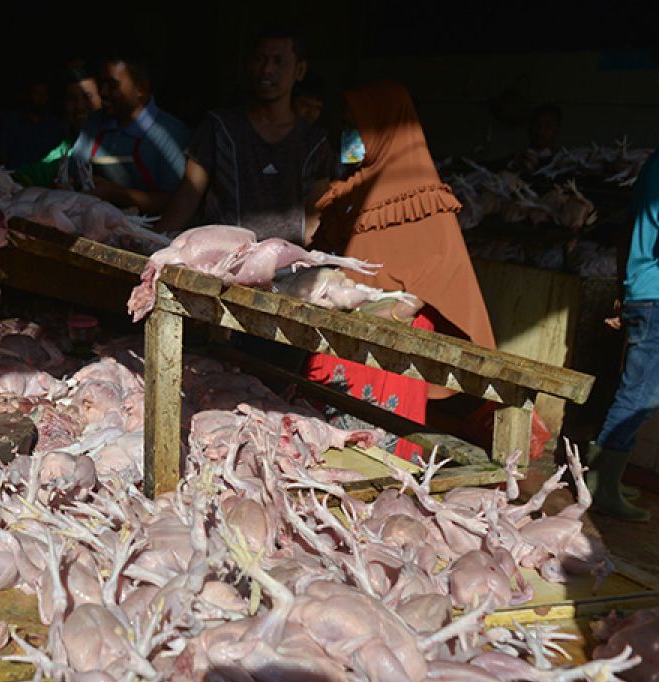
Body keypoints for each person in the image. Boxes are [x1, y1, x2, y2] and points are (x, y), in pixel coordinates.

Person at [305, 81, 496, 460]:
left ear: (387, 127)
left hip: (386, 349)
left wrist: (366, 315)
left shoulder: (421, 199)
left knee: (372, 458)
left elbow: (425, 291)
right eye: (346, 125)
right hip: (338, 337)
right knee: (316, 449)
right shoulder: (351, 190)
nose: (349, 135)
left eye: (358, 125)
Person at [157, 33, 333, 244]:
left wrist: (309, 267)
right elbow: (187, 198)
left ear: (299, 70)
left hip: (288, 267)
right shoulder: (219, 127)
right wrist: (151, 243)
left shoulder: (314, 142)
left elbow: (315, 217)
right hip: (221, 264)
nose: (267, 70)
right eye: (260, 59)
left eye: (279, 61)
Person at [584, 149, 659, 522]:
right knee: (640, 393)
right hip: (655, 295)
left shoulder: (654, 164)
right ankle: (601, 485)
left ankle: (606, 477)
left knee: (640, 391)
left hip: (645, 291)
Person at [60, 55, 188, 215]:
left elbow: (176, 203)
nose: (104, 92)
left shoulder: (170, 133)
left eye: (112, 85)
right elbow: (73, 172)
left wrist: (117, 194)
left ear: (141, 88)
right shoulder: (94, 122)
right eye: (102, 83)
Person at [13, 65, 102, 188]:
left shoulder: (115, 144)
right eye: (72, 99)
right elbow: (35, 173)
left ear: (103, 98)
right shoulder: (66, 147)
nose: (80, 106)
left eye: (88, 97)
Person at [0, 76, 65, 170]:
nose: (41, 98)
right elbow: (0, 153)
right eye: (37, 93)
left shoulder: (55, 126)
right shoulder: (12, 120)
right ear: (26, 95)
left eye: (44, 94)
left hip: (41, 179)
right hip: (11, 175)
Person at [510, 104, 562, 173]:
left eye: (548, 126)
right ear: (529, 127)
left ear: (557, 129)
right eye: (536, 125)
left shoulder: (563, 163)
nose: (540, 131)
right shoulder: (513, 161)